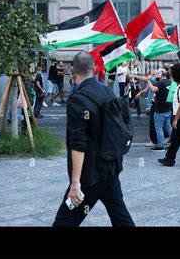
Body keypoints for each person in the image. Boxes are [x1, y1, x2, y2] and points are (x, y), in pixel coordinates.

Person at [53, 51, 134, 227]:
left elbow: (78, 144)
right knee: (120, 217)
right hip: (111, 167)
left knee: (63, 222)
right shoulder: (107, 92)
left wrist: (75, 184)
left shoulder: (77, 99)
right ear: (94, 69)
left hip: (90, 175)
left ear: (73, 70)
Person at [145, 68, 172, 152]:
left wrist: (149, 82)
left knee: (159, 127)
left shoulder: (161, 82)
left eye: (158, 73)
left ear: (162, 74)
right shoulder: (169, 81)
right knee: (168, 126)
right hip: (168, 108)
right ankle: (174, 141)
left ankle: (160, 146)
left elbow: (154, 89)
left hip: (160, 109)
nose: (156, 74)